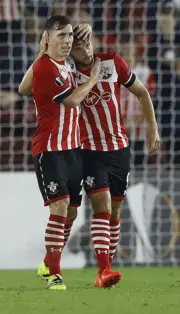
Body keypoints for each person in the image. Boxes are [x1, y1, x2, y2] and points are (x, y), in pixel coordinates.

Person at [20, 31, 160, 288]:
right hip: (88, 151)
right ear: (71, 50)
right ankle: (102, 270)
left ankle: (94, 264)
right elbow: (28, 87)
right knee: (101, 206)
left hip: (119, 149)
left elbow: (141, 92)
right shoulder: (67, 71)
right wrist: (43, 51)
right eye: (78, 45)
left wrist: (153, 127)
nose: (85, 49)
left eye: (87, 42)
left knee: (114, 212)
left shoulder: (112, 63)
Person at [21, 15, 99, 290]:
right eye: (62, 36)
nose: (67, 41)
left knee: (72, 213)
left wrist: (84, 31)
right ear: (48, 38)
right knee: (60, 207)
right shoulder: (45, 67)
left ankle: (48, 260)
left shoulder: (62, 64)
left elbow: (23, 88)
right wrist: (94, 78)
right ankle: (54, 273)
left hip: (72, 149)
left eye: (69, 35)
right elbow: (73, 99)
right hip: (50, 150)